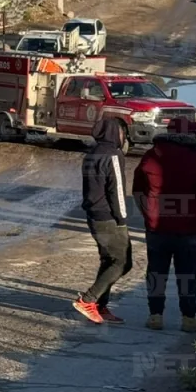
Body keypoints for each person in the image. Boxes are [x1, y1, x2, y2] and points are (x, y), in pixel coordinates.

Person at [133, 116, 196, 332]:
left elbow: (138, 189)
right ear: (190, 135)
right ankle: (188, 318)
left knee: (156, 273)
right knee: (188, 275)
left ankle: (155, 315)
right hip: (191, 230)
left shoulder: (151, 156)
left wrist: (148, 215)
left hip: (158, 229)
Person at [75, 117, 133, 324]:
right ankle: (88, 300)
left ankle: (100, 305)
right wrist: (123, 218)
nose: (124, 136)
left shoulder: (91, 154)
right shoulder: (113, 155)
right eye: (122, 132)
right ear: (115, 133)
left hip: (94, 215)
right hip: (108, 217)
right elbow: (116, 191)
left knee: (109, 261)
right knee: (122, 261)